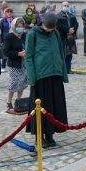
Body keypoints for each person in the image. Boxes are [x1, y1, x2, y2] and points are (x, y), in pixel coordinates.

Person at [23, 11, 69, 148]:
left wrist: (63, 73)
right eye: (48, 27)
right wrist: (32, 78)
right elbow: (28, 57)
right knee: (41, 108)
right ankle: (39, 136)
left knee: (54, 107)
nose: (49, 30)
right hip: (41, 77)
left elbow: (61, 53)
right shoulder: (33, 34)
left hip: (55, 75)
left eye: (52, 28)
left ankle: (50, 134)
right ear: (43, 24)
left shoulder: (55, 33)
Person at [3, 18, 28, 113]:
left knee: (22, 82)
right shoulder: (9, 37)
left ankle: (18, 101)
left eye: (21, 26)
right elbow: (6, 51)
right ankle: (9, 101)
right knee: (14, 82)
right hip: (14, 64)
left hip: (24, 63)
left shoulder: (25, 35)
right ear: (14, 26)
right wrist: (18, 54)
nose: (20, 28)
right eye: (18, 26)